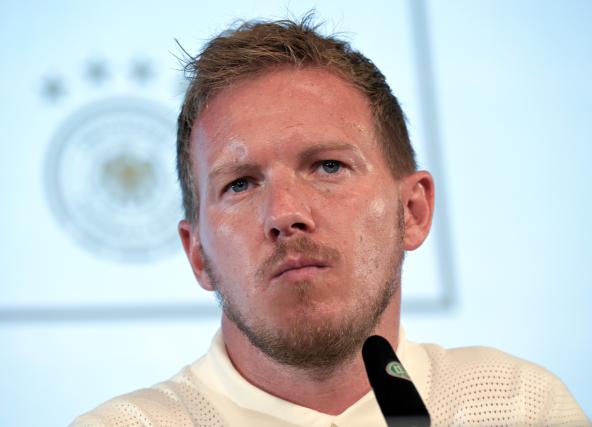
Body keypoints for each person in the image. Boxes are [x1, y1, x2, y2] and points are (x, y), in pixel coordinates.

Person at [72, 16, 589, 427]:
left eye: (328, 166)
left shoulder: (519, 408)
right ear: (198, 254)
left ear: (413, 211)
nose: (285, 214)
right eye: (241, 184)